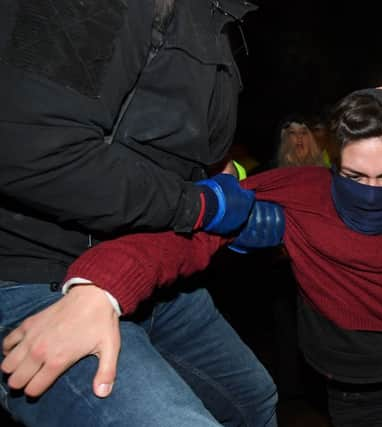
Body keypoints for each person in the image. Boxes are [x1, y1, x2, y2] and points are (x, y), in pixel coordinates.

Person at [15, 87, 382, 426]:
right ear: (334, 165)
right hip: (359, 401)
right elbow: (193, 231)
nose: (370, 192)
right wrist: (101, 288)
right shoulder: (301, 192)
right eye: (355, 177)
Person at [0, 1, 278, 426]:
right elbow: (30, 149)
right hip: (35, 273)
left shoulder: (218, 21)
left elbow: (182, 146)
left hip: (149, 265)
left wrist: (229, 194)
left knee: (252, 400)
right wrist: (199, 205)